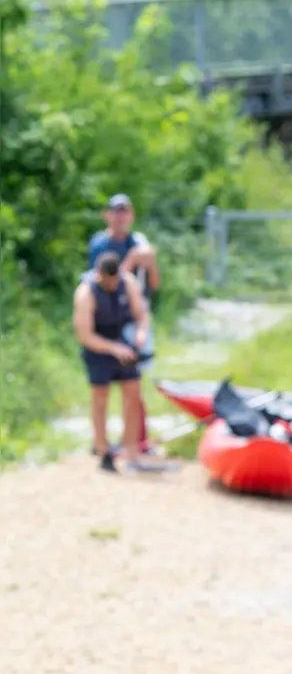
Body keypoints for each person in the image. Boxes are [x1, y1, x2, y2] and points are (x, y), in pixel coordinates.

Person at [87, 193, 159, 454]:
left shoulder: (138, 241)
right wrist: (131, 260)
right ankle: (102, 443)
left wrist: (149, 263)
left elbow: (153, 285)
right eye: (115, 211)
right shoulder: (100, 244)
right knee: (102, 389)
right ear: (108, 215)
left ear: (131, 214)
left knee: (134, 384)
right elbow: (109, 279)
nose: (120, 216)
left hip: (132, 319)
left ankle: (137, 441)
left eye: (124, 211)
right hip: (108, 323)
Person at [73, 252, 154, 473]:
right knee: (100, 399)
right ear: (99, 275)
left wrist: (141, 333)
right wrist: (112, 348)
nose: (112, 284)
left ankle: (131, 450)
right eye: (108, 280)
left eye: (115, 280)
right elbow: (85, 336)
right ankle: (103, 451)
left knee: (133, 396)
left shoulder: (128, 283)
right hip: (98, 347)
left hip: (124, 342)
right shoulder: (85, 293)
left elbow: (142, 314)